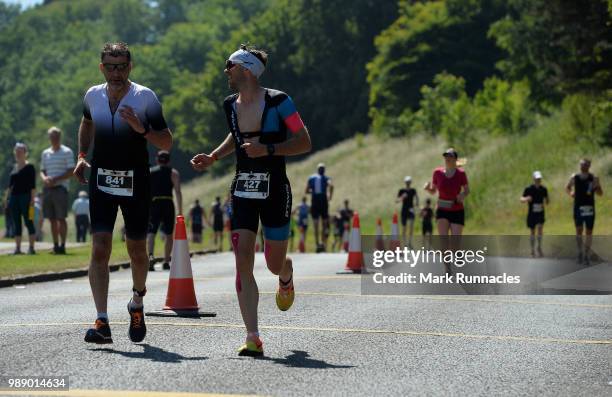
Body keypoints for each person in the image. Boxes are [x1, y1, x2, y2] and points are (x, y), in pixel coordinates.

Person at [191, 44, 311, 356]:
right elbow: (236, 134)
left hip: (275, 190)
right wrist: (214, 157)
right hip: (242, 189)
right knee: (242, 258)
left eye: (229, 65)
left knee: (272, 263)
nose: (225, 71)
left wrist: (268, 150)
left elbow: (304, 141)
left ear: (246, 69)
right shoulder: (230, 104)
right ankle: (253, 336)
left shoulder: (279, 101)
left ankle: (285, 273)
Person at [74, 42, 172, 344]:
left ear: (130, 67)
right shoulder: (92, 95)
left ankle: (137, 301)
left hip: (136, 182)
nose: (116, 72)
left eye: (121, 66)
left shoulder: (145, 98)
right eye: (110, 66)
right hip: (102, 180)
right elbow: (87, 122)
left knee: (137, 251)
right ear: (101, 67)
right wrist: (81, 155)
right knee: (100, 247)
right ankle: (101, 321)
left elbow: (166, 142)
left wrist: (141, 128)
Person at [424, 148, 469, 273]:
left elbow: (467, 190)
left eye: (449, 156)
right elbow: (433, 191)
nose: (447, 158)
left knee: (455, 242)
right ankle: (447, 269)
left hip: (457, 209)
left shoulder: (461, 173)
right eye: (445, 156)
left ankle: (457, 253)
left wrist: (462, 196)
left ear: (455, 159)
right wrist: (428, 188)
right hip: (442, 209)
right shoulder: (437, 173)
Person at [40, 126, 75, 254]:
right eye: (51, 136)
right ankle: (55, 246)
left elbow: (71, 171)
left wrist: (55, 178)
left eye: (55, 136)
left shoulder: (67, 152)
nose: (53, 139)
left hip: (61, 188)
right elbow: (42, 170)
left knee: (61, 218)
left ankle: (63, 245)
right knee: (51, 219)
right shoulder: (45, 153)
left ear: (59, 137)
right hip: (48, 188)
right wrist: (45, 178)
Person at [147, 150, 182, 271]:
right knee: (168, 233)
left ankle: (150, 256)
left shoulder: (151, 172)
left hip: (154, 204)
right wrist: (180, 211)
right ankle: (166, 260)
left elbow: (146, 191)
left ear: (157, 160)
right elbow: (177, 191)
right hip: (168, 202)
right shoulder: (173, 173)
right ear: (169, 160)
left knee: (151, 232)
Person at [565, 158, 603, 265]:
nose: (583, 166)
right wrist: (571, 193)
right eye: (581, 164)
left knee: (589, 232)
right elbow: (567, 188)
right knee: (579, 231)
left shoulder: (593, 178)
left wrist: (598, 185)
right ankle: (580, 253)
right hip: (578, 207)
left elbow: (600, 193)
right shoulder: (575, 177)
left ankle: (587, 255)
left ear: (589, 166)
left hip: (589, 207)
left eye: (585, 164)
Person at [6, 143, 36, 255]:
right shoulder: (14, 168)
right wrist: (7, 200)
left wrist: (32, 200)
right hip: (14, 198)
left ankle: (31, 248)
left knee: (29, 222)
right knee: (16, 223)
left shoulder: (30, 167)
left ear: (25, 153)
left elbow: (33, 186)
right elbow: (10, 187)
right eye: (16, 151)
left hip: (26, 198)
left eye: (20, 151)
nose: (18, 153)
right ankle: (17, 249)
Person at [521, 171, 549, 257]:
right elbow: (521, 199)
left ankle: (539, 247)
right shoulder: (529, 189)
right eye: (537, 179)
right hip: (532, 213)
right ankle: (532, 250)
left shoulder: (543, 189)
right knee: (532, 231)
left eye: (539, 179)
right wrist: (526, 199)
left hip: (540, 212)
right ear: (534, 179)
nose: (538, 180)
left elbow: (547, 199)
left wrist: (547, 201)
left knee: (540, 229)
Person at [306, 163, 333, 252]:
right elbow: (331, 185)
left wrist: (313, 191)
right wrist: (330, 196)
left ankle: (318, 243)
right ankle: (322, 243)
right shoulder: (326, 178)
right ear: (324, 170)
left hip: (315, 200)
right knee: (324, 223)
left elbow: (306, 190)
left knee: (316, 223)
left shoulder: (312, 178)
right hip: (323, 200)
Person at [396, 176, 419, 247]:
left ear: (410, 182)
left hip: (411, 209)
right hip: (404, 210)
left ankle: (410, 242)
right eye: (407, 182)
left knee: (411, 226)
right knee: (404, 227)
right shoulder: (401, 191)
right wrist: (402, 197)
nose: (408, 183)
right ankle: (404, 242)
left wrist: (417, 204)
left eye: (409, 182)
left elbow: (416, 197)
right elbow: (397, 200)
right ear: (405, 182)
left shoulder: (413, 190)